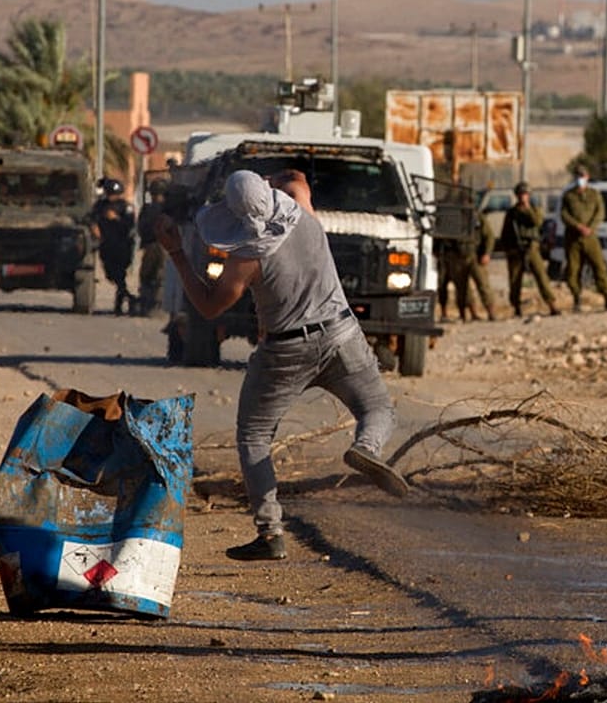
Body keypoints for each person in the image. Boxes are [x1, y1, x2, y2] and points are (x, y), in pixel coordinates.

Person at [156, 169, 408, 562]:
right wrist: (271, 181)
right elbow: (299, 178)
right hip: (341, 334)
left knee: (254, 435)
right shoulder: (302, 210)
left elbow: (208, 306)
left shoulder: (248, 256)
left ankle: (270, 532)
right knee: (376, 408)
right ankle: (366, 445)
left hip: (285, 350)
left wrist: (175, 253)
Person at [497, 182, 559, 318]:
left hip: (532, 248)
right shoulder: (512, 213)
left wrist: (527, 208)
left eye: (525, 195)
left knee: (542, 277)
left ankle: (552, 304)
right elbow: (505, 233)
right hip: (516, 249)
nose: (522, 197)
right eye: (520, 195)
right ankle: (516, 308)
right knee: (515, 280)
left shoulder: (535, 210)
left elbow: (537, 222)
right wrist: (507, 249)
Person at [559, 164, 607, 312]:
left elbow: (600, 212)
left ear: (587, 177)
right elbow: (564, 215)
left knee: (599, 267)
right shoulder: (569, 196)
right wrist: (577, 226)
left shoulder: (594, 194)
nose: (581, 179)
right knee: (573, 269)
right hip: (573, 237)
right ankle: (577, 298)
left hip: (591, 237)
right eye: (578, 176)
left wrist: (590, 227)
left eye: (583, 176)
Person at [92, 179, 137, 315]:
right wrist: (94, 228)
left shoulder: (125, 207)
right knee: (111, 275)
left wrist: (116, 218)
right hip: (106, 245)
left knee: (120, 275)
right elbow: (92, 218)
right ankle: (127, 298)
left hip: (121, 245)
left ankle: (121, 303)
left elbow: (129, 226)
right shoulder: (101, 205)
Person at [134, 179, 169, 317]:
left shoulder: (156, 209)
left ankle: (153, 304)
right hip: (157, 245)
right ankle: (150, 304)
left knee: (155, 275)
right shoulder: (158, 209)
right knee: (152, 275)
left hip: (158, 245)